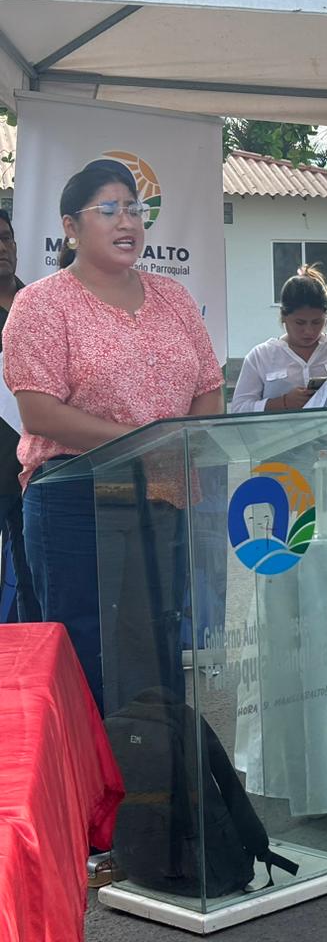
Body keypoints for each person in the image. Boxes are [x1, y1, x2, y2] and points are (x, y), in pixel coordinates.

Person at [2, 159, 224, 712]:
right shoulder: (41, 304)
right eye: (108, 209)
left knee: (155, 647)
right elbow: (39, 412)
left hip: (165, 494)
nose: (127, 221)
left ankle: (155, 758)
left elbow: (208, 387)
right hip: (76, 500)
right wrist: (143, 443)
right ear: (71, 227)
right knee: (87, 655)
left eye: (133, 208)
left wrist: (176, 446)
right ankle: (88, 765)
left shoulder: (173, 298)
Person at [230, 265, 327, 510]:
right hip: (282, 455)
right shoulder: (261, 356)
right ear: (283, 317)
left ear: (326, 317)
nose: (309, 331)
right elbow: (239, 409)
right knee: (288, 529)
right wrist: (283, 403)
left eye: (317, 322)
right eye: (299, 323)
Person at [0, 209, 35, 621]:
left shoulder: (37, 306)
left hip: (34, 472)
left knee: (33, 582)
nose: (2, 248)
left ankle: (34, 655)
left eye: (6, 238)